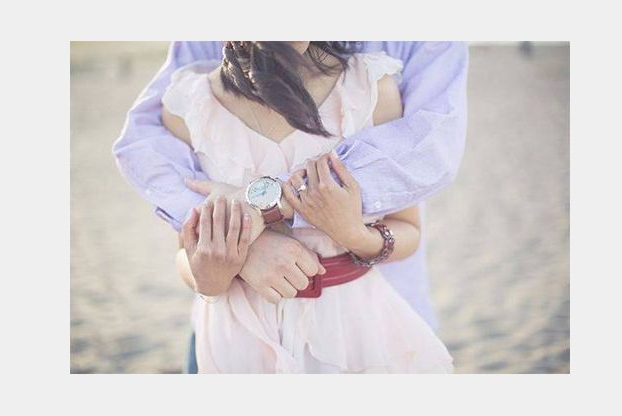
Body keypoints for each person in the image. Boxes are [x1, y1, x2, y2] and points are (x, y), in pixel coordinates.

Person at [113, 41, 468, 372]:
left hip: (356, 326)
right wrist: (226, 262)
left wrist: (350, 233)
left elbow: (421, 182)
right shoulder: (190, 103)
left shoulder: (373, 89)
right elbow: (187, 247)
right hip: (236, 335)